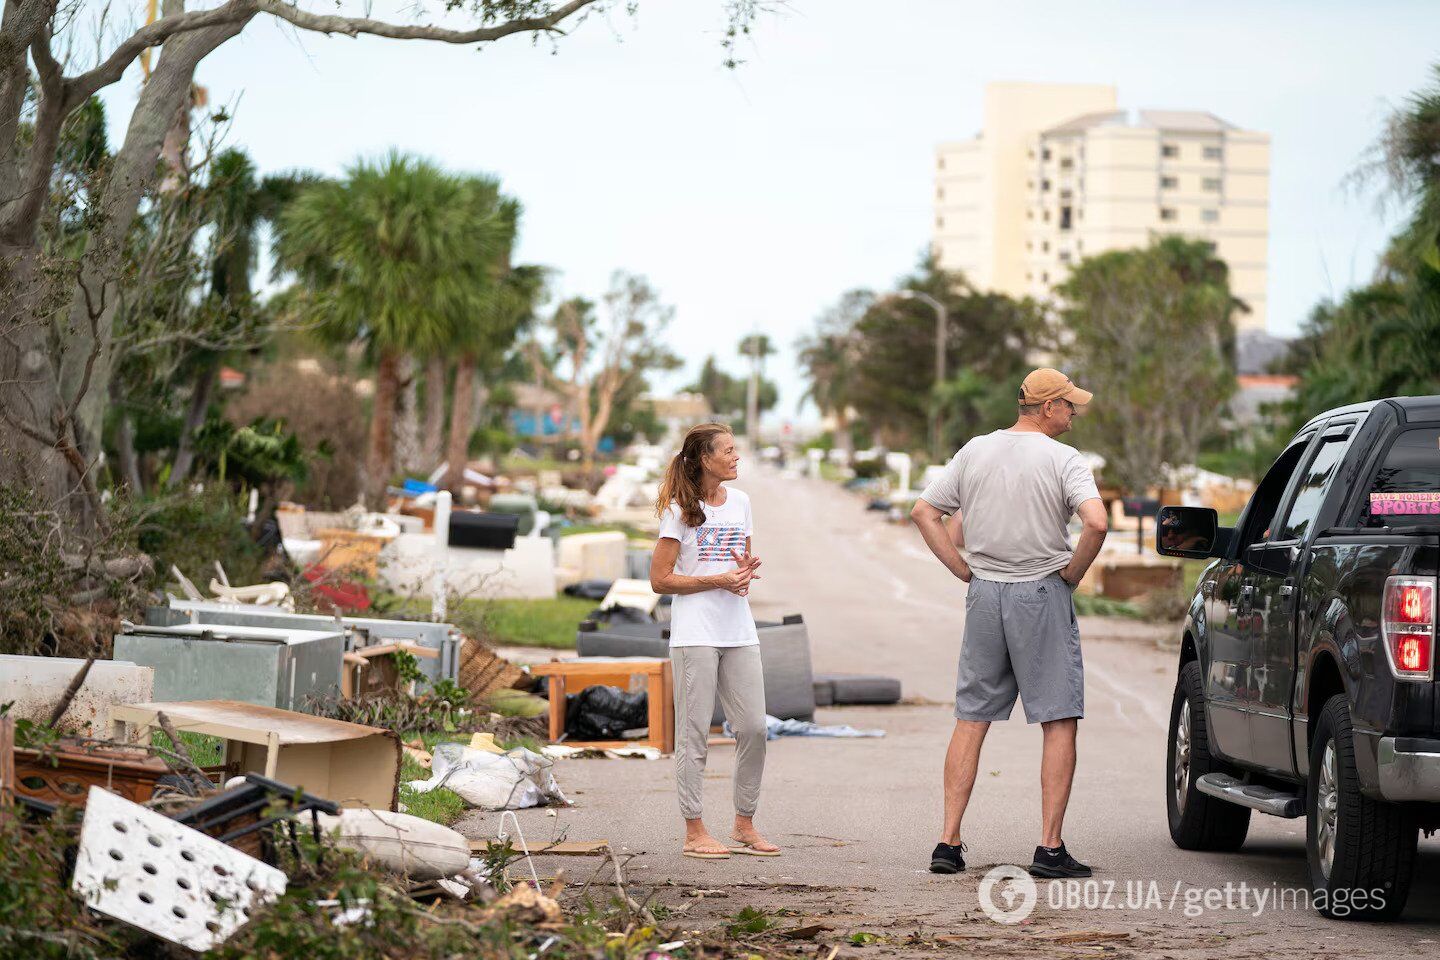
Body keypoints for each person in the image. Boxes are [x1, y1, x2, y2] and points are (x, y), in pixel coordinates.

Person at [909, 368, 1109, 879]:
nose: (1073, 413)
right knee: (1059, 718)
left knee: (971, 717)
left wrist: (961, 569)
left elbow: (924, 511)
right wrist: (1073, 573)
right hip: (1041, 592)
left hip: (985, 595)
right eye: (1068, 404)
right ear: (1047, 408)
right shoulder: (1065, 460)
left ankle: (948, 843)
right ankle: (1049, 848)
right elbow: (1097, 522)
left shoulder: (975, 449)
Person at [650, 422, 778, 860]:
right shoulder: (679, 511)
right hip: (695, 635)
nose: (736, 456)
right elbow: (659, 580)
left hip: (738, 629)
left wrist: (742, 575)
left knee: (755, 728)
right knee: (693, 735)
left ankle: (744, 823)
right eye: (728, 450)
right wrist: (716, 579)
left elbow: (736, 565)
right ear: (705, 459)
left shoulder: (740, 502)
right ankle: (694, 830)